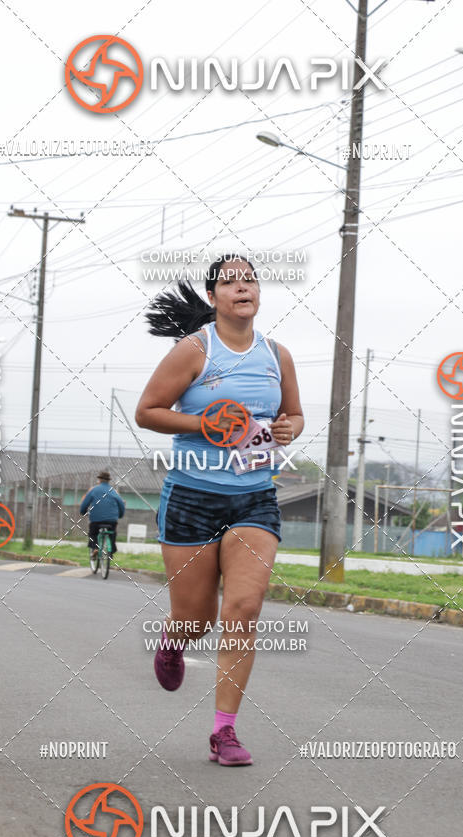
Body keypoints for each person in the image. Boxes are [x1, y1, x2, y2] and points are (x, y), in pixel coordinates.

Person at [135, 254, 304, 766]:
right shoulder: (194, 350)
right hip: (192, 496)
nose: (242, 287)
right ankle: (174, 639)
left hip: (254, 496)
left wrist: (287, 429)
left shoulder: (277, 355)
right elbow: (147, 412)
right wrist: (204, 423)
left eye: (249, 279)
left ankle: (224, 731)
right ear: (213, 297)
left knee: (243, 610)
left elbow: (293, 415)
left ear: (258, 293)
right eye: (230, 282)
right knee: (197, 618)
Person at [80, 470, 125, 557]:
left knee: (93, 533)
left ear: (99, 480)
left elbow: (84, 504)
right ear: (109, 481)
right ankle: (110, 551)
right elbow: (121, 505)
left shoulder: (93, 490)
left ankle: (95, 547)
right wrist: (120, 515)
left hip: (96, 520)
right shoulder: (114, 491)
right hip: (112, 520)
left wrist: (83, 512)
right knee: (112, 533)